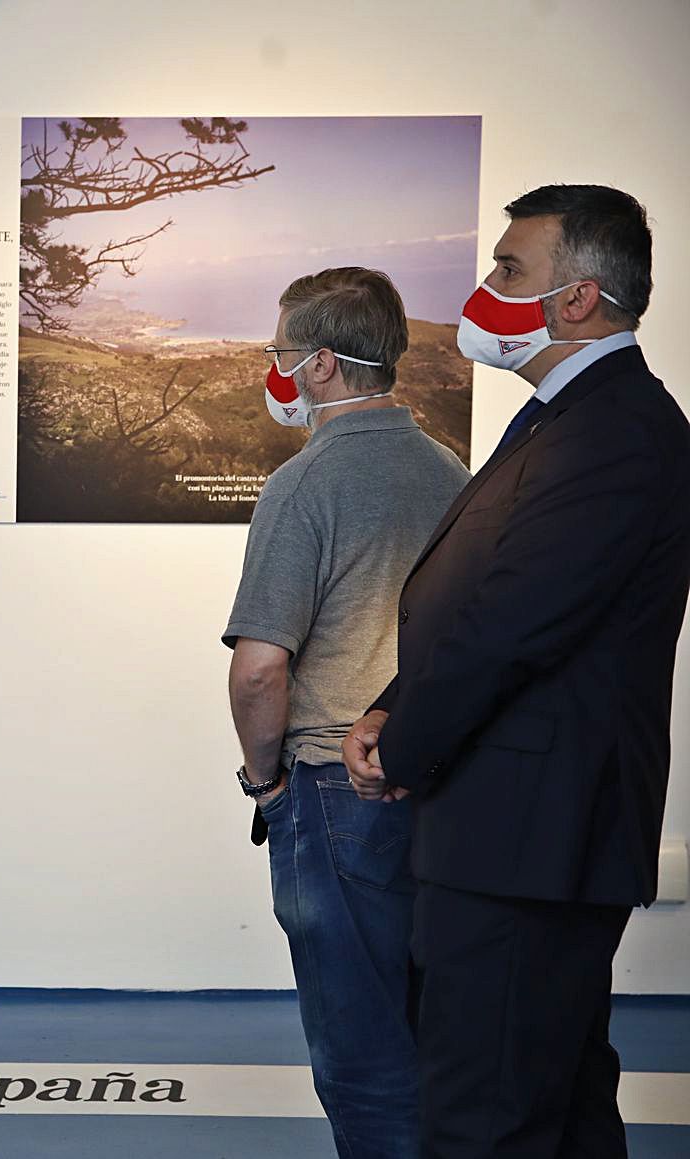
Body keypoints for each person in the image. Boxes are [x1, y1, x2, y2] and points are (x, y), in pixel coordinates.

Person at [343, 185, 690, 1159]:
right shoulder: (565, 416)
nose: (487, 288)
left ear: (575, 299)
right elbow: (490, 596)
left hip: (531, 830)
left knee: (486, 1116)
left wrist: (405, 743)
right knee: (553, 1098)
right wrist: (392, 704)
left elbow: (516, 624)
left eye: (509, 268)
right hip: (517, 823)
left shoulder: (614, 429)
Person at [223, 266, 470, 1159]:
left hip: (333, 794)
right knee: (432, 1033)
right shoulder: (452, 471)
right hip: (442, 785)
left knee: (359, 1052)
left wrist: (267, 783)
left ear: (322, 364)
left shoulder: (303, 485)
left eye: (282, 353)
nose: (277, 370)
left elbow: (259, 671)